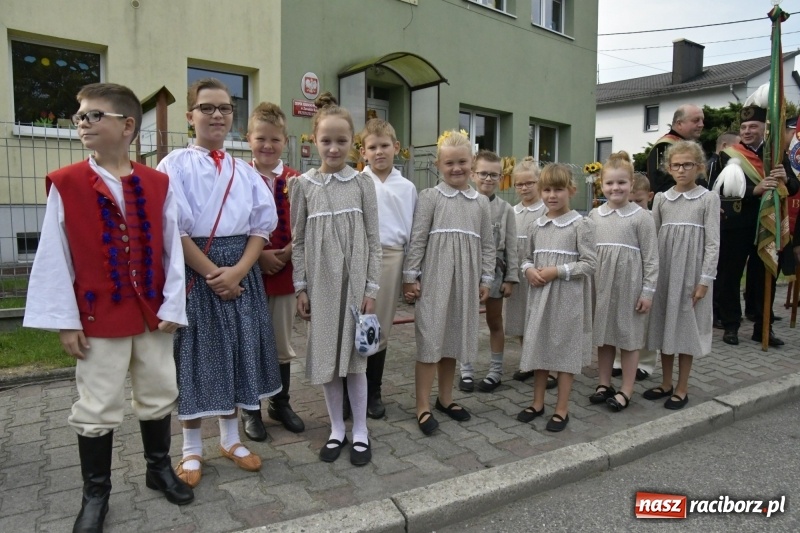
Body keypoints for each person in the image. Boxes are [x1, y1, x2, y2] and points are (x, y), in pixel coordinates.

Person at [24, 82, 194, 532]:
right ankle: (95, 495)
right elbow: (53, 256)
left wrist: (173, 305)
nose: (82, 123)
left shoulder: (158, 183)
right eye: (79, 116)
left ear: (126, 126)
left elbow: (170, 249)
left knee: (158, 392)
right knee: (97, 406)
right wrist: (65, 320)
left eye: (93, 116)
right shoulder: (67, 184)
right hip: (98, 318)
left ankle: (158, 470)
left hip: (152, 316)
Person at [157, 78, 282, 488]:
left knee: (235, 353)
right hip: (197, 273)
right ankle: (191, 447)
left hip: (241, 274)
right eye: (207, 108)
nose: (217, 115)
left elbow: (261, 228)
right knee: (196, 357)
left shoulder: (244, 171)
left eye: (225, 108)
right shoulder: (172, 165)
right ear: (190, 115)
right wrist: (214, 273)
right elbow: (172, 227)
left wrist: (239, 271)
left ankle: (231, 439)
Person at [290, 93, 382, 466]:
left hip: (355, 288)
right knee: (329, 363)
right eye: (326, 140)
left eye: (341, 140)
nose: (333, 147)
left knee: (356, 363)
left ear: (352, 143)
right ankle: (336, 429)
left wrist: (371, 288)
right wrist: (301, 286)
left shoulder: (363, 184)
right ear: (314, 140)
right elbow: (297, 241)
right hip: (323, 290)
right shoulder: (303, 186)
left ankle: (360, 429)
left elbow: (374, 240)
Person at [403, 129, 494, 436]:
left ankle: (445, 399)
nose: (457, 168)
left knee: (452, 340)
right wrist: (410, 276)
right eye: (450, 163)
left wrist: (486, 278)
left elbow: (488, 245)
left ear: (473, 163)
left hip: (465, 282)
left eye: (463, 162)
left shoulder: (480, 203)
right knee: (430, 342)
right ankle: (422, 406)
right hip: (435, 280)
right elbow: (417, 239)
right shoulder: (430, 197)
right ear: (438, 165)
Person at [239, 102, 305, 440]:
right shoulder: (238, 176)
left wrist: (288, 252)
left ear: (285, 141)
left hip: (285, 273)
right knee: (249, 342)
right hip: (248, 275)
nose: (267, 146)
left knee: (282, 343)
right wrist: (261, 255)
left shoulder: (297, 181)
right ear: (248, 138)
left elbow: (306, 223)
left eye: (274, 140)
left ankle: (280, 402)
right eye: (260, 138)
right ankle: (250, 410)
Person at [710, 103, 800, 346]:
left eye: (753, 126)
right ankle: (731, 325)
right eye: (744, 127)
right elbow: (718, 193)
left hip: (768, 225)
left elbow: (793, 187)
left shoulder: (777, 153)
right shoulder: (729, 155)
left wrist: (785, 178)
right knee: (730, 275)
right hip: (737, 224)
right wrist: (754, 190)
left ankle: (763, 327)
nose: (748, 131)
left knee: (764, 276)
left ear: (764, 128)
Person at [517, 164, 596, 432]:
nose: (552, 195)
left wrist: (557, 271)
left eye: (559, 189)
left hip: (567, 300)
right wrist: (528, 270)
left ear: (571, 191)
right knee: (540, 350)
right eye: (547, 190)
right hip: (540, 299)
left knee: (564, 354)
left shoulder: (580, 225)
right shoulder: (536, 225)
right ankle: (537, 403)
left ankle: (562, 408)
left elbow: (589, 264)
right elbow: (525, 257)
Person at [644, 141, 720, 410]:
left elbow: (713, 243)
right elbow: (652, 237)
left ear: (698, 167)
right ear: (669, 167)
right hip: (664, 273)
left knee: (685, 329)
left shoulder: (708, 198)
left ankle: (682, 386)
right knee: (664, 325)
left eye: (688, 164)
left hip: (690, 273)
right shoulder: (662, 199)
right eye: (676, 165)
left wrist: (705, 280)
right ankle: (665, 383)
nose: (682, 170)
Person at [588, 153, 658, 412]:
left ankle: (626, 389)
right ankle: (603, 383)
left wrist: (647, 292)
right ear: (601, 185)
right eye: (609, 183)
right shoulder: (595, 216)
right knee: (604, 337)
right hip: (602, 286)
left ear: (631, 184)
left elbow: (652, 259)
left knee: (628, 339)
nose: (615, 188)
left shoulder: (641, 217)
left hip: (630, 288)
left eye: (621, 183)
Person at [358, 118, 417, 418]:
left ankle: (373, 391)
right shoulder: (357, 182)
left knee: (378, 326)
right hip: (358, 256)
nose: (379, 152)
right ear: (363, 153)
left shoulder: (406, 187)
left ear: (396, 148)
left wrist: (410, 273)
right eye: (372, 147)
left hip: (391, 257)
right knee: (354, 322)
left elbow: (412, 231)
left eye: (384, 146)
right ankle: (349, 391)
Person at [458, 150, 518, 393]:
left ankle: (495, 371)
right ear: (473, 174)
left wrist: (511, 278)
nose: (489, 179)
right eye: (483, 173)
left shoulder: (506, 210)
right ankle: (466, 370)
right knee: (466, 320)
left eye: (494, 175)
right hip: (467, 269)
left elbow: (512, 247)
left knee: (494, 320)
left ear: (501, 176)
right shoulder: (463, 203)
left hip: (495, 272)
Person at [505, 158, 557, 390]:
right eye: (519, 184)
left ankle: (551, 368)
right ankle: (529, 362)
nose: (524, 188)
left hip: (539, 273)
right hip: (518, 274)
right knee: (521, 320)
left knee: (542, 320)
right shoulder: (512, 212)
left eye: (530, 183)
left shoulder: (547, 210)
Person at [611, 172, 658, 381]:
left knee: (644, 324)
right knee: (623, 320)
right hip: (625, 278)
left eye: (638, 201)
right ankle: (620, 360)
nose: (634, 205)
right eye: (630, 201)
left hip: (645, 278)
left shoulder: (650, 219)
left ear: (650, 196)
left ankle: (645, 363)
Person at [706, 131, 740, 329]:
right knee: (718, 270)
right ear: (725, 145)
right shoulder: (713, 165)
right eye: (737, 147)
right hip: (716, 222)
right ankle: (714, 310)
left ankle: (719, 309)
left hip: (726, 223)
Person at [647, 104, 704, 194]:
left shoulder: (688, 146)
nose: (701, 124)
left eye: (702, 120)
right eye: (696, 120)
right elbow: (662, 185)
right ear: (679, 123)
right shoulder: (664, 145)